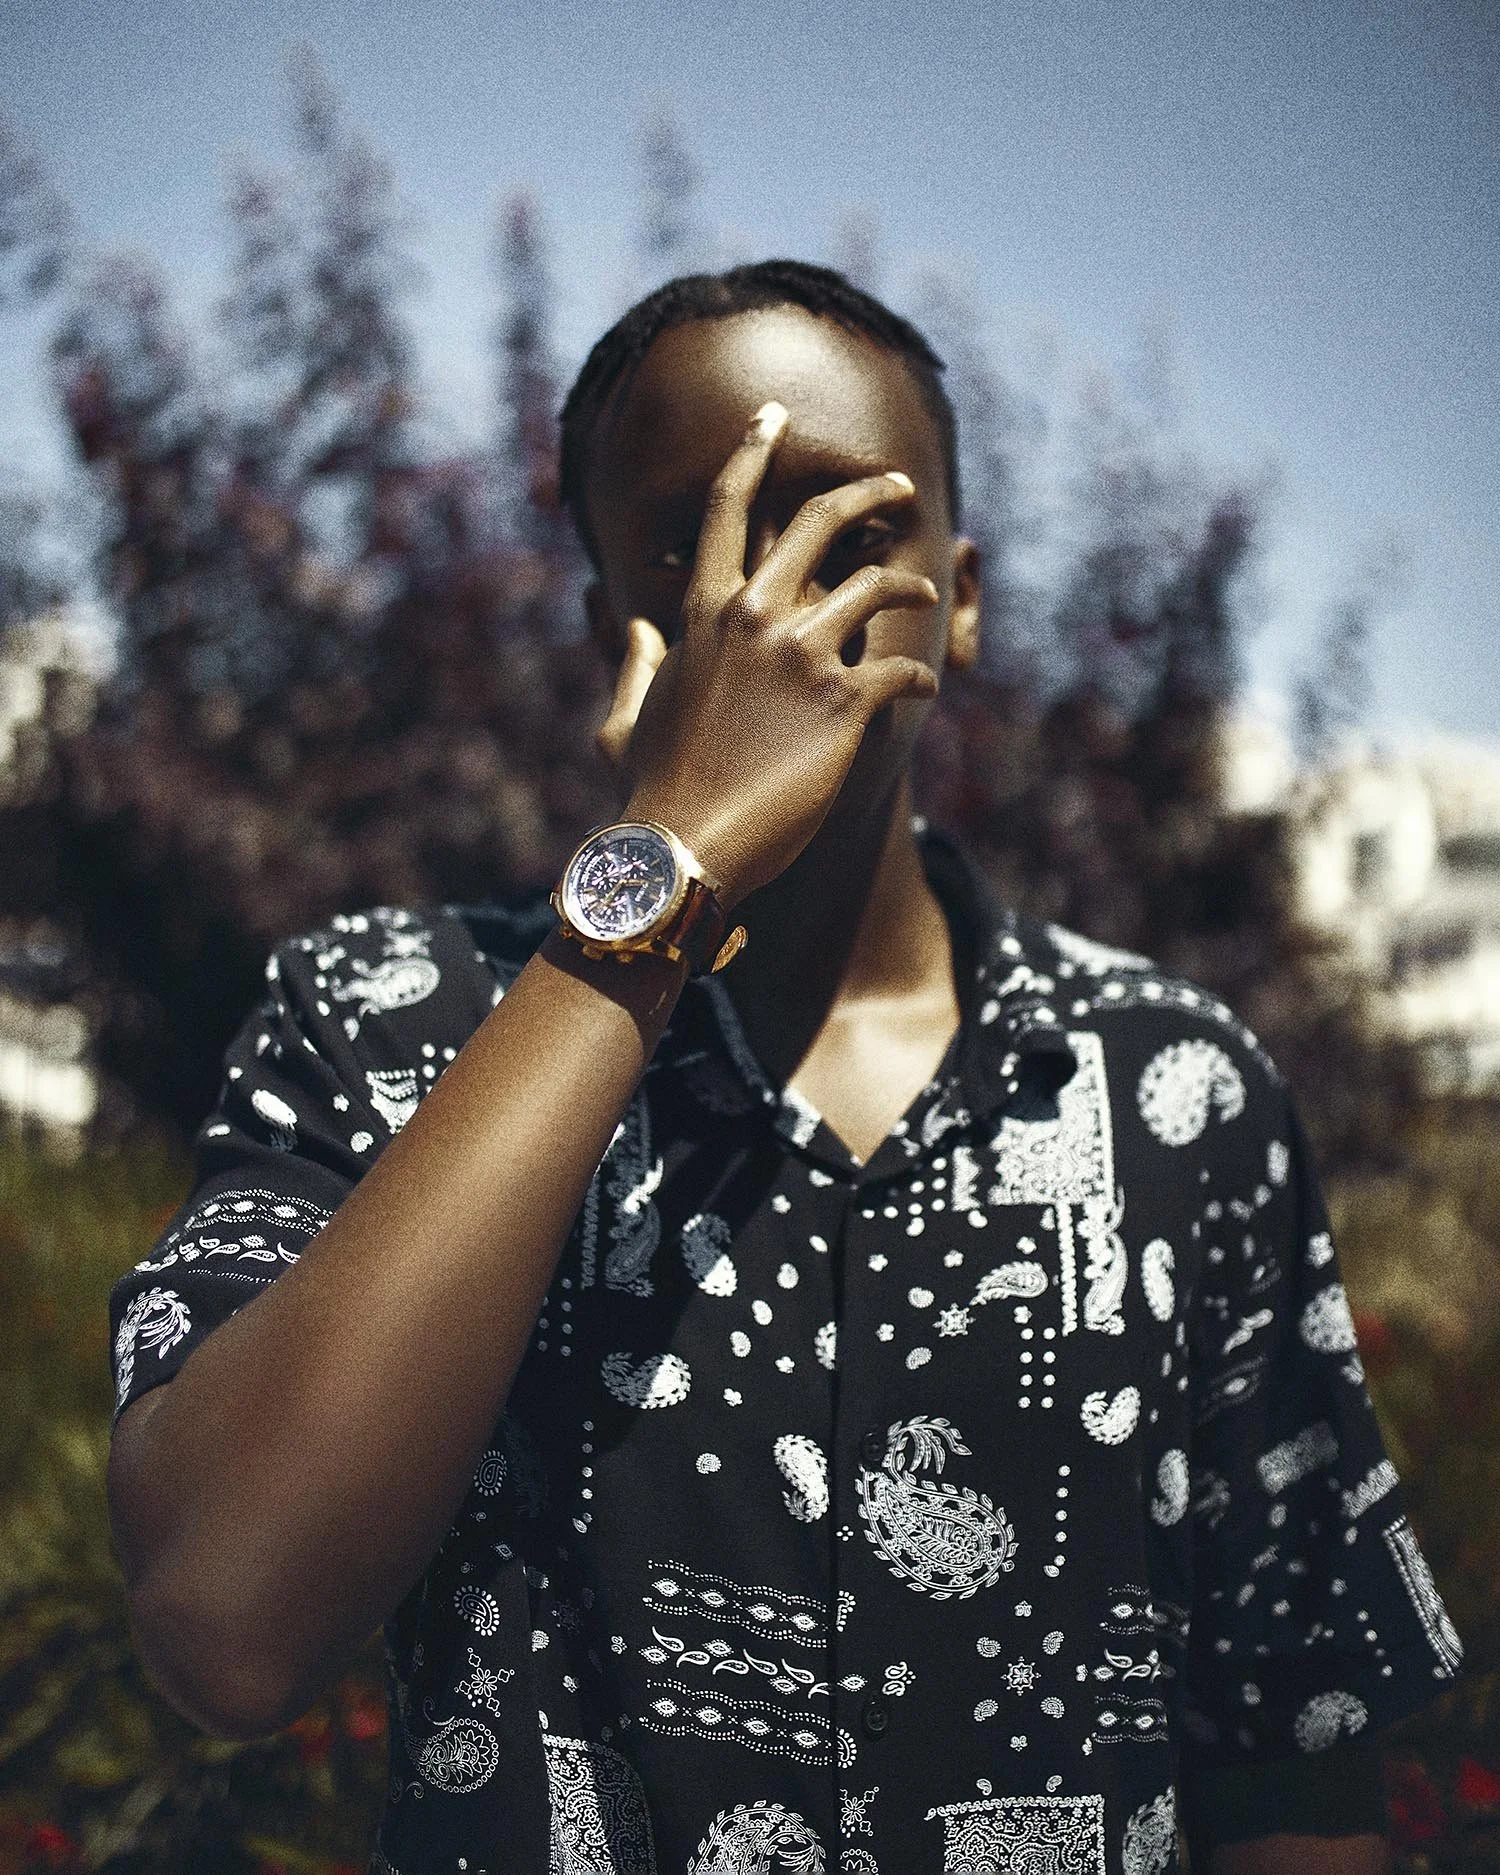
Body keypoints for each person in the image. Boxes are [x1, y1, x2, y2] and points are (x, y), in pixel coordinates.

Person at [106, 261, 1462, 1875]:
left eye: (840, 524)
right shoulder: (387, 1013)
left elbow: (1293, 1759)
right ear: (606, 611)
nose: (757, 601)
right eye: (693, 536)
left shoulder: (1176, 1084)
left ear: (958, 601)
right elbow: (226, 1622)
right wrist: (663, 869)